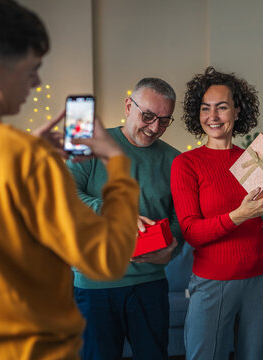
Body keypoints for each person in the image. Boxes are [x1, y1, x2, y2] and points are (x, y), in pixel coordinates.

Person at [0, 1, 140, 359]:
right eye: (32, 70)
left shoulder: (21, 154)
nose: (36, 82)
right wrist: (116, 164)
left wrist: (26, 151)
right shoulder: (25, 158)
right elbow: (107, 260)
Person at [170, 66, 263, 360]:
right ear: (197, 113)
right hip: (213, 280)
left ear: (237, 111)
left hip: (262, 278)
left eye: (222, 107)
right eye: (206, 108)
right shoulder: (187, 164)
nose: (213, 116)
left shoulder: (250, 161)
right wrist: (239, 214)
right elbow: (192, 233)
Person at [67, 77, 183, 360]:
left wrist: (173, 248)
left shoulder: (175, 160)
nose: (155, 128)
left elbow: (180, 219)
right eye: (148, 116)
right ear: (129, 105)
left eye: (165, 121)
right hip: (95, 285)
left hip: (150, 285)